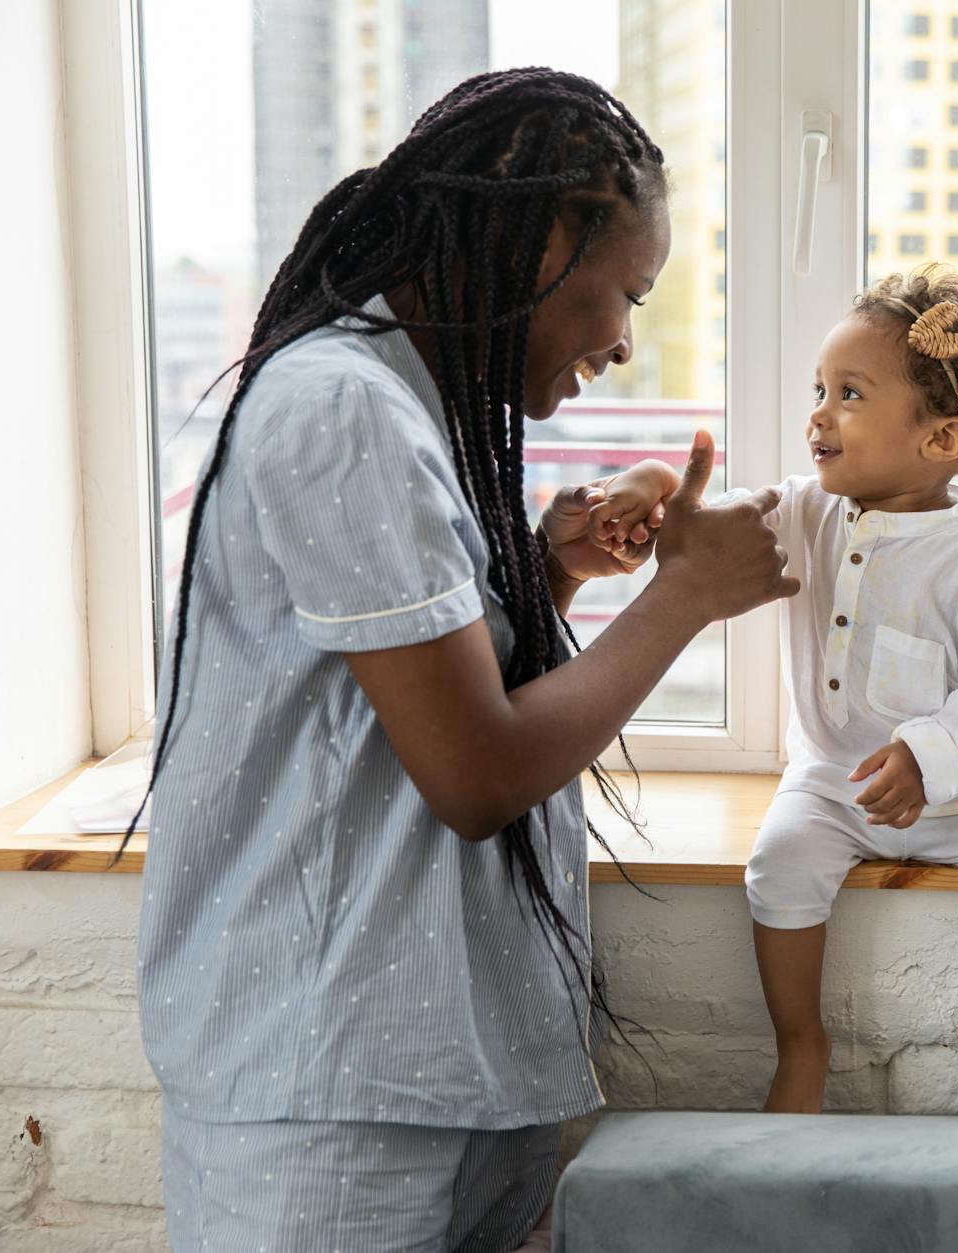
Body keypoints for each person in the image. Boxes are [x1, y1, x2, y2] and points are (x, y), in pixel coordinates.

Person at [132, 69, 796, 1251]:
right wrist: (685, 598)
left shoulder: (407, 402)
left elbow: (394, 709)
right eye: (625, 292)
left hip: (438, 1069)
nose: (625, 343)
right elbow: (472, 772)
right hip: (337, 1096)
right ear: (542, 233)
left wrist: (549, 576)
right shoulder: (344, 407)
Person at [743, 266, 958, 1116]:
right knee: (777, 864)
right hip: (836, 782)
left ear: (941, 441)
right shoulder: (805, 512)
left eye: (850, 393)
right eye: (820, 388)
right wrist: (650, 492)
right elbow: (723, 520)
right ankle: (800, 1046)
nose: (819, 412)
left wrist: (931, 755)